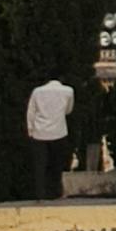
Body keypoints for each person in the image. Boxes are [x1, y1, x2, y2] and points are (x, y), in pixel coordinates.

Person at [25, 73, 74, 202]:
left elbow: (31, 111)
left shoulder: (37, 91)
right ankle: (55, 192)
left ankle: (40, 194)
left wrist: (30, 130)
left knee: (40, 165)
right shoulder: (68, 91)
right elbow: (68, 110)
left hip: (39, 132)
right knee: (56, 165)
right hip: (59, 132)